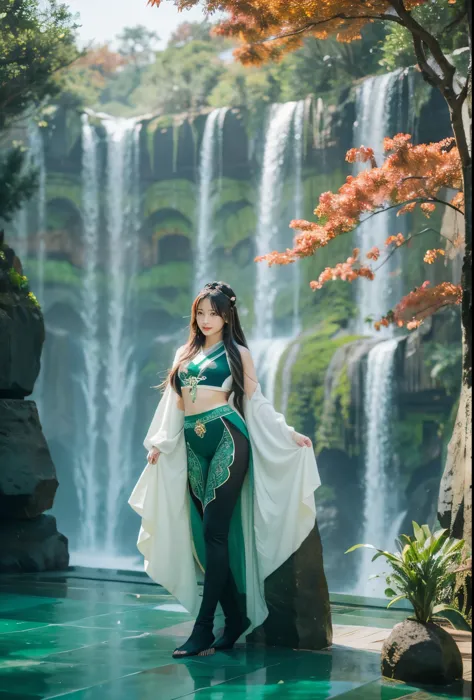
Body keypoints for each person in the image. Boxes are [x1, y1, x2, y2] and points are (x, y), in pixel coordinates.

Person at [129, 281, 321, 659]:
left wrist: (288, 433)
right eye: (200, 313)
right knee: (207, 538)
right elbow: (175, 407)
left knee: (215, 534)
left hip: (228, 440)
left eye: (213, 313)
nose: (205, 320)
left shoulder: (239, 354)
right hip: (192, 445)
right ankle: (234, 618)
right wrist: (161, 444)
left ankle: (203, 629)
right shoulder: (184, 353)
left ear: (227, 315)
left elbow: (257, 402)